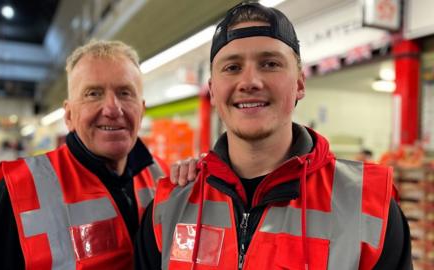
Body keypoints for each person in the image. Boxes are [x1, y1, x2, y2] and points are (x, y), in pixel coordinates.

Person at [135, 2, 412, 269]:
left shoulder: (369, 206)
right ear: (213, 91)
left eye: (270, 64)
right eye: (232, 67)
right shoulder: (169, 206)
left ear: (300, 83)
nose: (250, 82)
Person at [0, 40, 194, 270]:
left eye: (125, 93)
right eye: (93, 94)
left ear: (141, 111)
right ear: (69, 115)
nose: (113, 109)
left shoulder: (167, 179)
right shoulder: (17, 191)